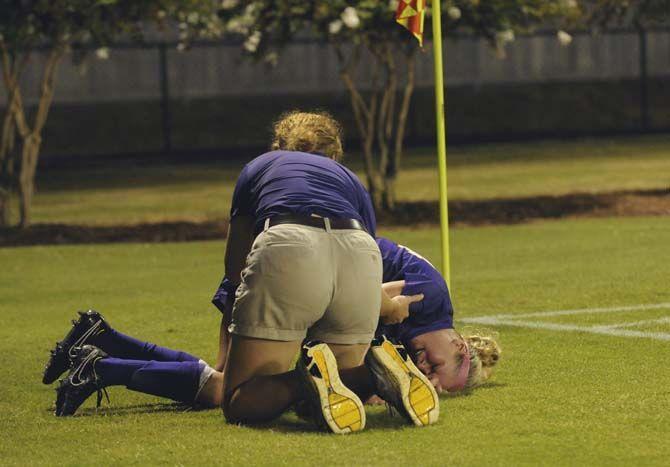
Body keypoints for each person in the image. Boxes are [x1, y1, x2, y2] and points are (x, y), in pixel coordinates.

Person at [46, 111, 439, 433]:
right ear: (335, 155)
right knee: (335, 375)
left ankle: (308, 378)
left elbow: (235, 268)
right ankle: (372, 372)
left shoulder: (261, 166)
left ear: (278, 146)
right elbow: (363, 253)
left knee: (236, 398)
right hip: (358, 254)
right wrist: (385, 308)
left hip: (288, 244)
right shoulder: (350, 180)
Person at [375, 237, 501, 394]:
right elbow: (363, 298)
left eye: (425, 374)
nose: (422, 366)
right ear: (458, 346)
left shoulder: (412, 347)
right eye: (434, 365)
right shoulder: (433, 297)